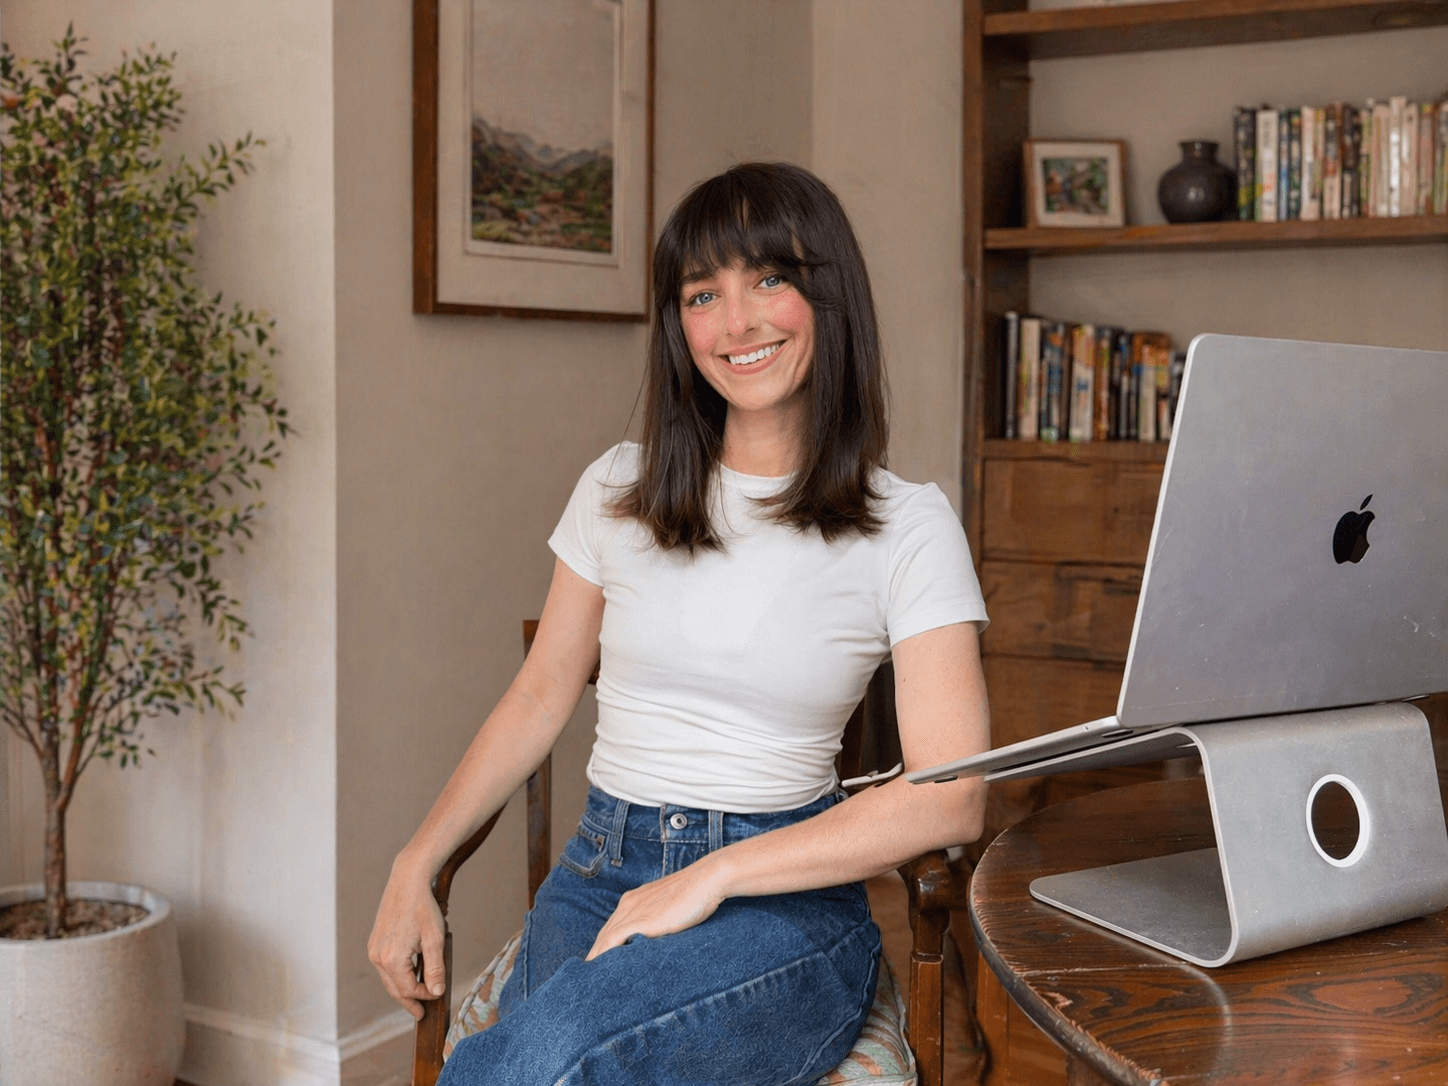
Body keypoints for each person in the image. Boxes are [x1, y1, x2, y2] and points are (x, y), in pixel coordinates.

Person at [368, 161, 992, 1086]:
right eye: (705, 294)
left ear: (831, 297)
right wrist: (412, 863)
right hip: (598, 872)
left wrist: (713, 876)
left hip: (783, 902)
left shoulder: (908, 525)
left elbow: (952, 794)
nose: (737, 323)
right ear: (678, 324)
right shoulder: (615, 489)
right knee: (540, 1058)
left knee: (543, 1057)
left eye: (771, 280)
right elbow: (539, 695)